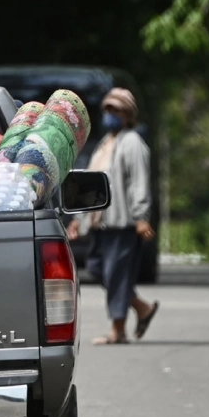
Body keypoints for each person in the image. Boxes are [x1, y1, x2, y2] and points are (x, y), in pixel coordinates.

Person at [66, 87, 159, 344]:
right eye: (108, 110)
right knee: (97, 268)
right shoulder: (104, 145)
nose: (111, 115)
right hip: (100, 224)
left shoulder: (133, 143)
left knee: (116, 274)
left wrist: (141, 217)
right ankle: (141, 307)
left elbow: (139, 183)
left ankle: (118, 330)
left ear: (128, 115)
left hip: (122, 223)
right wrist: (79, 220)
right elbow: (90, 186)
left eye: (116, 110)